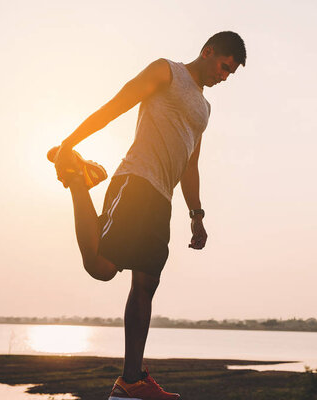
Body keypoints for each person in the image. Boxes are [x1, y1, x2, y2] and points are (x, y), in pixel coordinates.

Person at [47, 31, 246, 400]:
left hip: (162, 199)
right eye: (223, 67)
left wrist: (196, 214)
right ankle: (79, 180)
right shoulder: (166, 71)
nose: (224, 76)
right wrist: (70, 144)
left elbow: (190, 164)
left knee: (145, 286)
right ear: (208, 52)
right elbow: (117, 104)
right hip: (135, 180)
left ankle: (132, 380)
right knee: (101, 267)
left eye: (230, 73)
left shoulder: (204, 109)